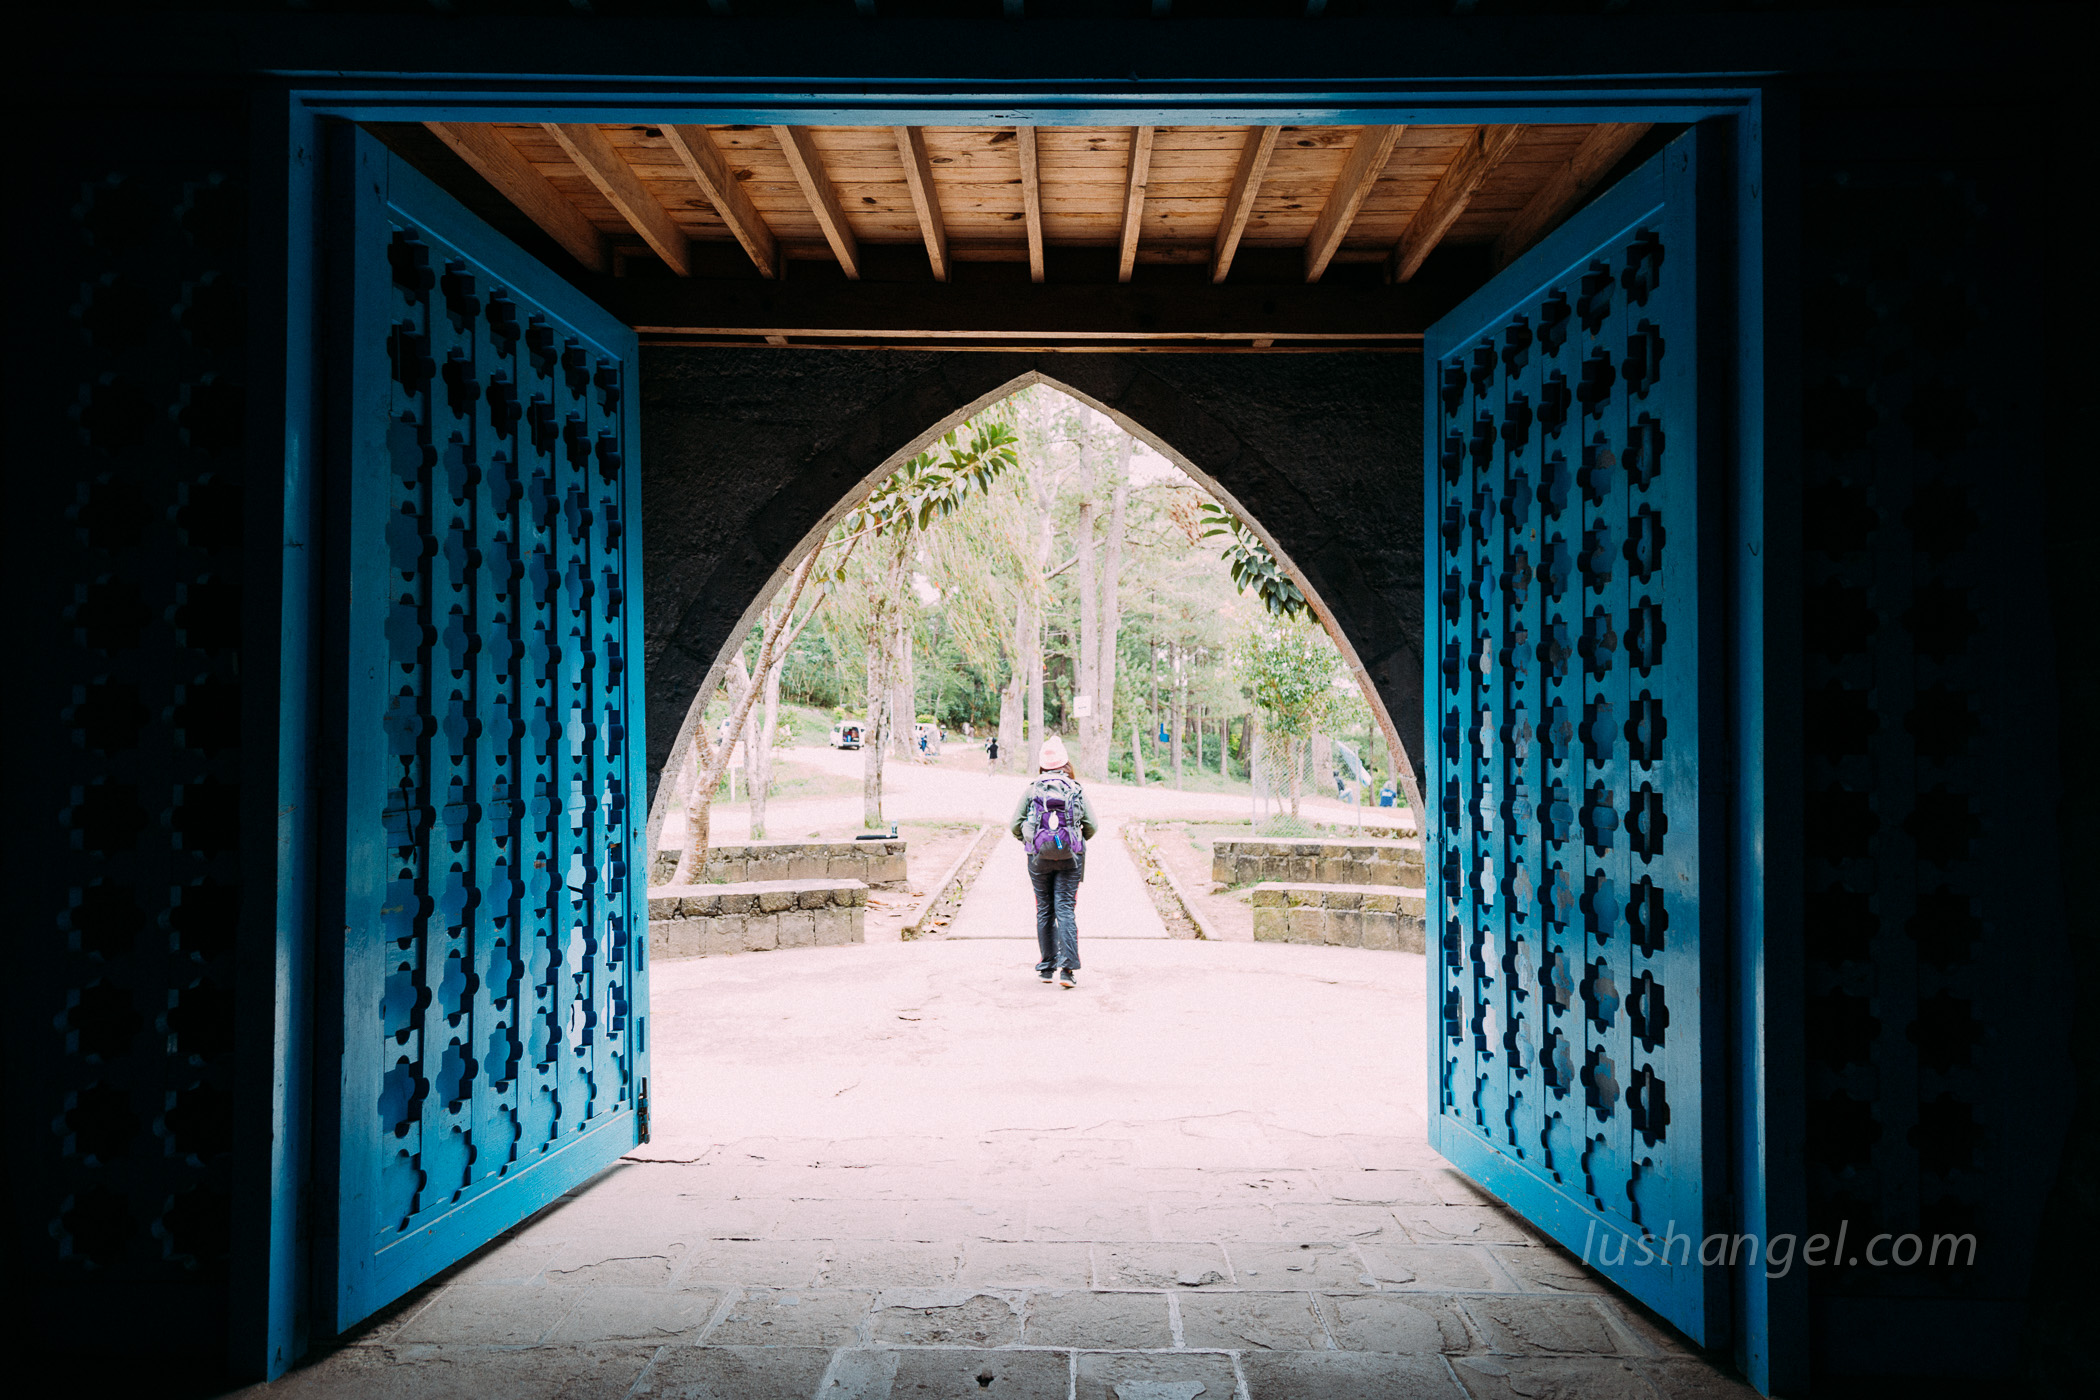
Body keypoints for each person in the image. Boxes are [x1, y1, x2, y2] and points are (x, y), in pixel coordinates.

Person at [1008, 735, 1097, 988]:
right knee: (1066, 909)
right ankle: (1067, 971)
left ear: (1042, 764)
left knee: (1045, 909)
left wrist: (1032, 843)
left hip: (1037, 859)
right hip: (1071, 857)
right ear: (1065, 763)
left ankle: (1047, 967)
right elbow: (1092, 825)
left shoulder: (1032, 789)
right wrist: (1076, 842)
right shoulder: (1075, 788)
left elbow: (1015, 825)